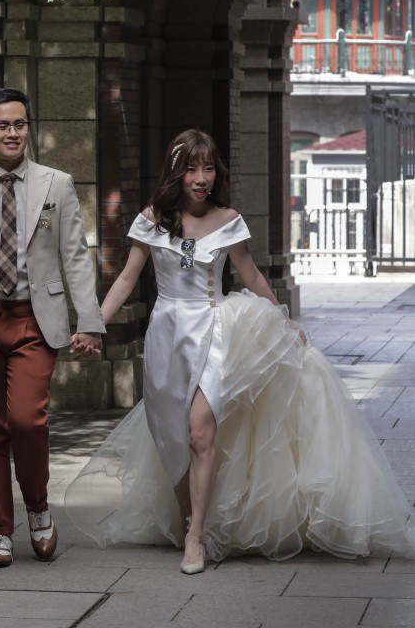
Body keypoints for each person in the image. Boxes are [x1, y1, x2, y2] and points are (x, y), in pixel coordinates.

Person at [64, 129, 415, 573]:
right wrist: (92, 326)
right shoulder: (152, 219)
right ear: (176, 172)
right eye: (191, 168)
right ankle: (190, 518)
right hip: (166, 333)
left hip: (212, 330)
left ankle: (197, 538)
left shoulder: (228, 219)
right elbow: (127, 279)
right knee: (170, 435)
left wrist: (282, 319)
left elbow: (248, 274)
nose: (201, 178)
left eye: (208, 168)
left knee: (198, 432)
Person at [0, 87, 106, 568]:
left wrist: (89, 322)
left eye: (20, 124)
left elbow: (75, 256)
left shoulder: (57, 184)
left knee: (27, 421)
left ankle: (38, 507)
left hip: (36, 321)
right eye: (2, 126)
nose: (13, 133)